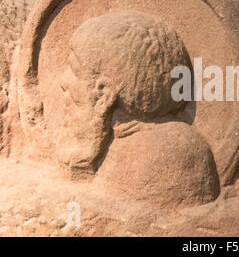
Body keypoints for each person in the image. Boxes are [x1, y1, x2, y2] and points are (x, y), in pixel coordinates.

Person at [57, 11, 220, 208]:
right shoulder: (125, 143)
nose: (62, 82)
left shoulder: (163, 154)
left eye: (73, 70)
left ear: (105, 94)